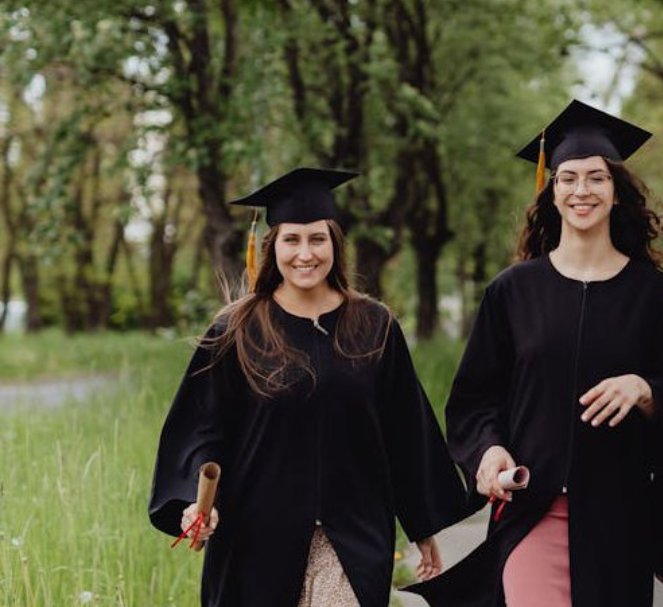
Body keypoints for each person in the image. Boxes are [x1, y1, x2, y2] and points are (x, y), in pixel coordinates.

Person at [405, 100, 663, 607]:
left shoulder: (650, 295)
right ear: (551, 192)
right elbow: (475, 400)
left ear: (617, 192)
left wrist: (644, 390)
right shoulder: (513, 291)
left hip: (617, 516)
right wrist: (488, 452)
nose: (582, 191)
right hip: (531, 508)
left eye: (597, 178)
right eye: (569, 178)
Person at [148, 168, 467, 607]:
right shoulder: (237, 330)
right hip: (257, 541)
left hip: (350, 538)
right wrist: (196, 502)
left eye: (317, 239)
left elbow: (405, 432)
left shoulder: (374, 326)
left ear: (335, 244)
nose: (305, 254)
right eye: (291, 240)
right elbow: (203, 429)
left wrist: (422, 524)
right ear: (271, 246)